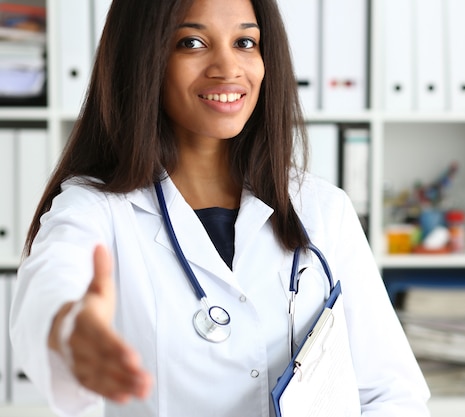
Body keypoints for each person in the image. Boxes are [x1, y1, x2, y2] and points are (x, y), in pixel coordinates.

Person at [9, 0, 431, 416]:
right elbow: (51, 288)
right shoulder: (94, 208)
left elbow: (392, 394)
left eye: (245, 42)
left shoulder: (323, 210)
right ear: (143, 58)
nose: (228, 67)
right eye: (192, 43)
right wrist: (70, 330)